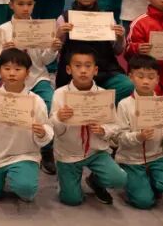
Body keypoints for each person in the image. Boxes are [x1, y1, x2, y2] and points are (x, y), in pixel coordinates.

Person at [50, 43, 128, 205]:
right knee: (72, 200)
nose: (83, 71)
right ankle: (66, 181)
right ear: (68, 69)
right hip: (69, 153)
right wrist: (59, 118)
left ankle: (95, 181)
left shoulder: (104, 96)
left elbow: (115, 125)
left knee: (119, 179)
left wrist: (103, 130)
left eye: (88, 66)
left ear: (96, 70)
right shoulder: (59, 94)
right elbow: (51, 128)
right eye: (78, 66)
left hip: (96, 151)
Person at [0, 48, 54, 202]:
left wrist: (42, 132)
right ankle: (0, 178)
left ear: (27, 73)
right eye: (7, 68)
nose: (12, 73)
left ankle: (21, 175)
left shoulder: (36, 102)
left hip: (24, 155)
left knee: (26, 190)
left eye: (18, 69)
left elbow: (47, 130)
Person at [108, 54, 163, 209]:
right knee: (143, 202)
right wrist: (139, 136)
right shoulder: (124, 105)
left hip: (158, 157)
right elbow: (119, 137)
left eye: (151, 77)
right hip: (131, 159)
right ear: (131, 77)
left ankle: (151, 180)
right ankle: (132, 181)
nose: (146, 81)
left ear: (157, 79)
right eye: (140, 76)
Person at [0, 0, 61, 174]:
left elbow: (44, 60)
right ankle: (7, 149)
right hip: (12, 80)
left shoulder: (40, 28)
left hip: (37, 77)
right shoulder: (2, 30)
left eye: (29, 4)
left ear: (34, 4)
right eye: (20, 4)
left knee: (50, 102)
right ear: (11, 5)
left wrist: (53, 49)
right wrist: (3, 52)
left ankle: (47, 151)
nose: (25, 8)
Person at [55, 0, 133, 103]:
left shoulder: (106, 18)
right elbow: (56, 52)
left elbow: (117, 51)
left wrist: (120, 38)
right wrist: (58, 36)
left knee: (127, 85)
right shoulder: (64, 19)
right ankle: (95, 105)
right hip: (76, 72)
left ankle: (96, 106)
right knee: (62, 96)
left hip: (104, 70)